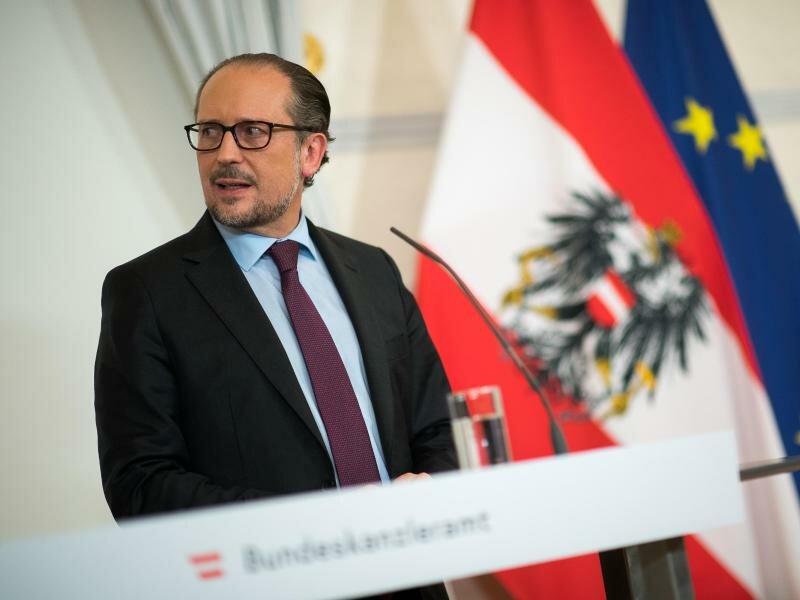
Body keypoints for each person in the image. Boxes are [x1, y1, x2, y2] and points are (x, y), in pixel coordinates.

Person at [94, 52, 455, 598]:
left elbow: (438, 428)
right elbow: (140, 484)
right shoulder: (147, 292)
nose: (225, 154)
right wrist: (314, 525)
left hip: (406, 581)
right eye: (211, 132)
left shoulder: (373, 269)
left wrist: (430, 488)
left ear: (311, 151)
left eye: (253, 133)